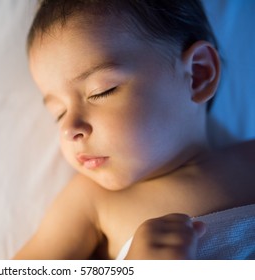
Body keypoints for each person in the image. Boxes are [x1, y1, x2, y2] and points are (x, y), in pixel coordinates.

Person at [14, 0, 255, 259]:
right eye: (58, 113)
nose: (69, 128)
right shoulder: (91, 201)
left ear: (197, 74)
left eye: (101, 91)